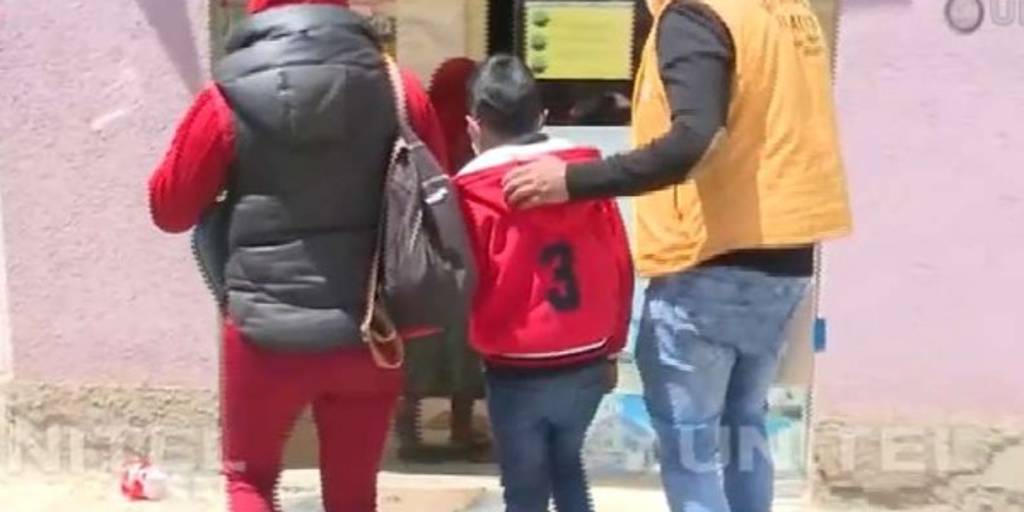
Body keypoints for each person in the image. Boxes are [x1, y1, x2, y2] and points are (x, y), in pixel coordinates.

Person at [502, 1, 853, 511]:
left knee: (693, 450)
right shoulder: (785, 11)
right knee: (743, 425)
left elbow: (695, 138)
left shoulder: (694, 15)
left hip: (712, 259)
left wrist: (572, 181)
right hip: (786, 253)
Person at [146, 1, 448, 511]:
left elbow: (170, 209)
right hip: (370, 332)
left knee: (249, 482)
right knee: (353, 499)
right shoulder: (400, 90)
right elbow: (436, 192)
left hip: (262, 337)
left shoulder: (226, 97)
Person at [454, 55, 634, 512]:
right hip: (587, 354)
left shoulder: (470, 194)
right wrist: (613, 347)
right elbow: (620, 263)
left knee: (525, 488)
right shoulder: (586, 176)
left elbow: (462, 280)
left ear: (474, 127)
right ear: (543, 117)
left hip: (515, 363)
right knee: (566, 465)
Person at [395, 57, 492, 464]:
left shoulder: (421, 127)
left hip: (421, 258)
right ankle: (461, 430)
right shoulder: (474, 137)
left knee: (418, 346)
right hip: (462, 256)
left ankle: (409, 435)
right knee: (464, 349)